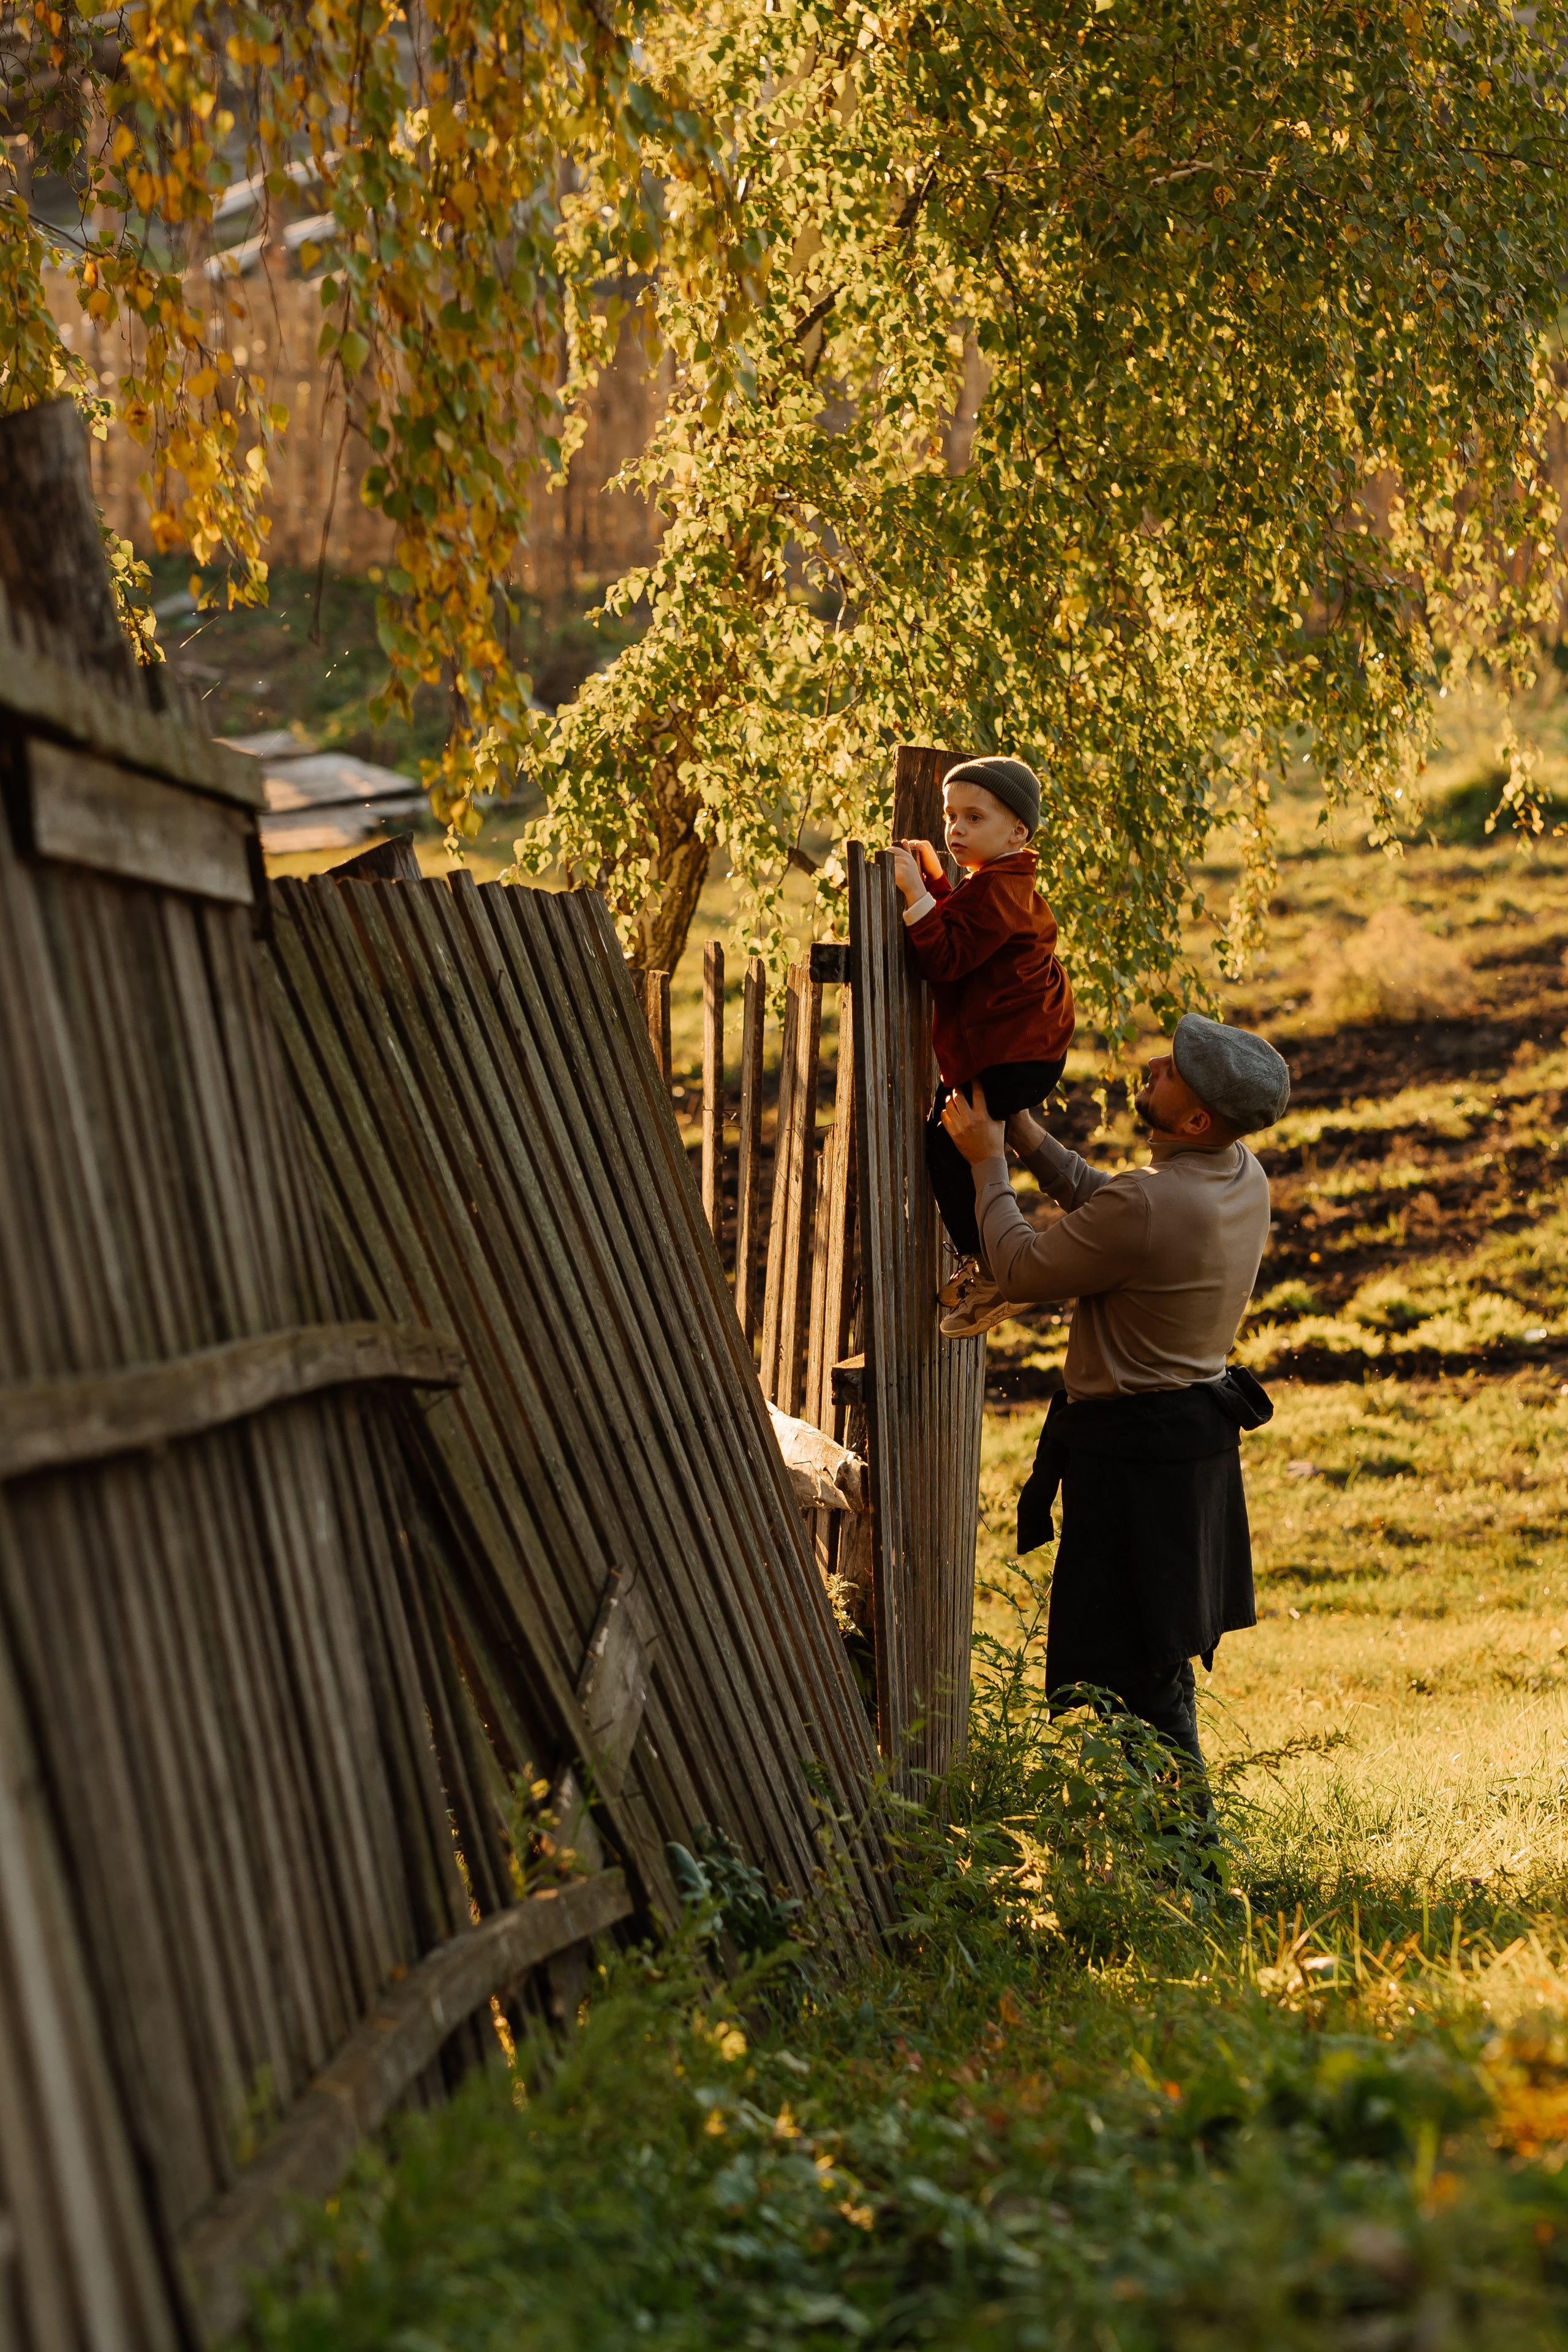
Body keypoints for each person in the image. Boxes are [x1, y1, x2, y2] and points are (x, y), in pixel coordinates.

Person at [939, 1012, 1290, 1789]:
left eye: (1172, 1071)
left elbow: (1025, 1270)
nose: (1155, 1065)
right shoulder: (1237, 1174)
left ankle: (1194, 1881)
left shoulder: (1155, 1205)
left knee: (1141, 1685)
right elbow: (1115, 1212)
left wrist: (987, 1163)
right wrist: (1029, 1138)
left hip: (1134, 1465)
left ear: (1196, 1118)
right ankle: (1150, 1858)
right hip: (1183, 1449)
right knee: (1153, 1665)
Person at [890, 755, 1076, 1340]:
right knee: (960, 1133)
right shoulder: (999, 884)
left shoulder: (998, 892)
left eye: (974, 817)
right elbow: (965, 932)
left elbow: (944, 957)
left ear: (1018, 831)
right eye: (952, 817)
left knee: (947, 1147)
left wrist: (915, 891)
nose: (956, 830)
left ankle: (993, 1269)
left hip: (1009, 1053)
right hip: (1025, 1049)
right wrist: (938, 886)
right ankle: (988, 1258)